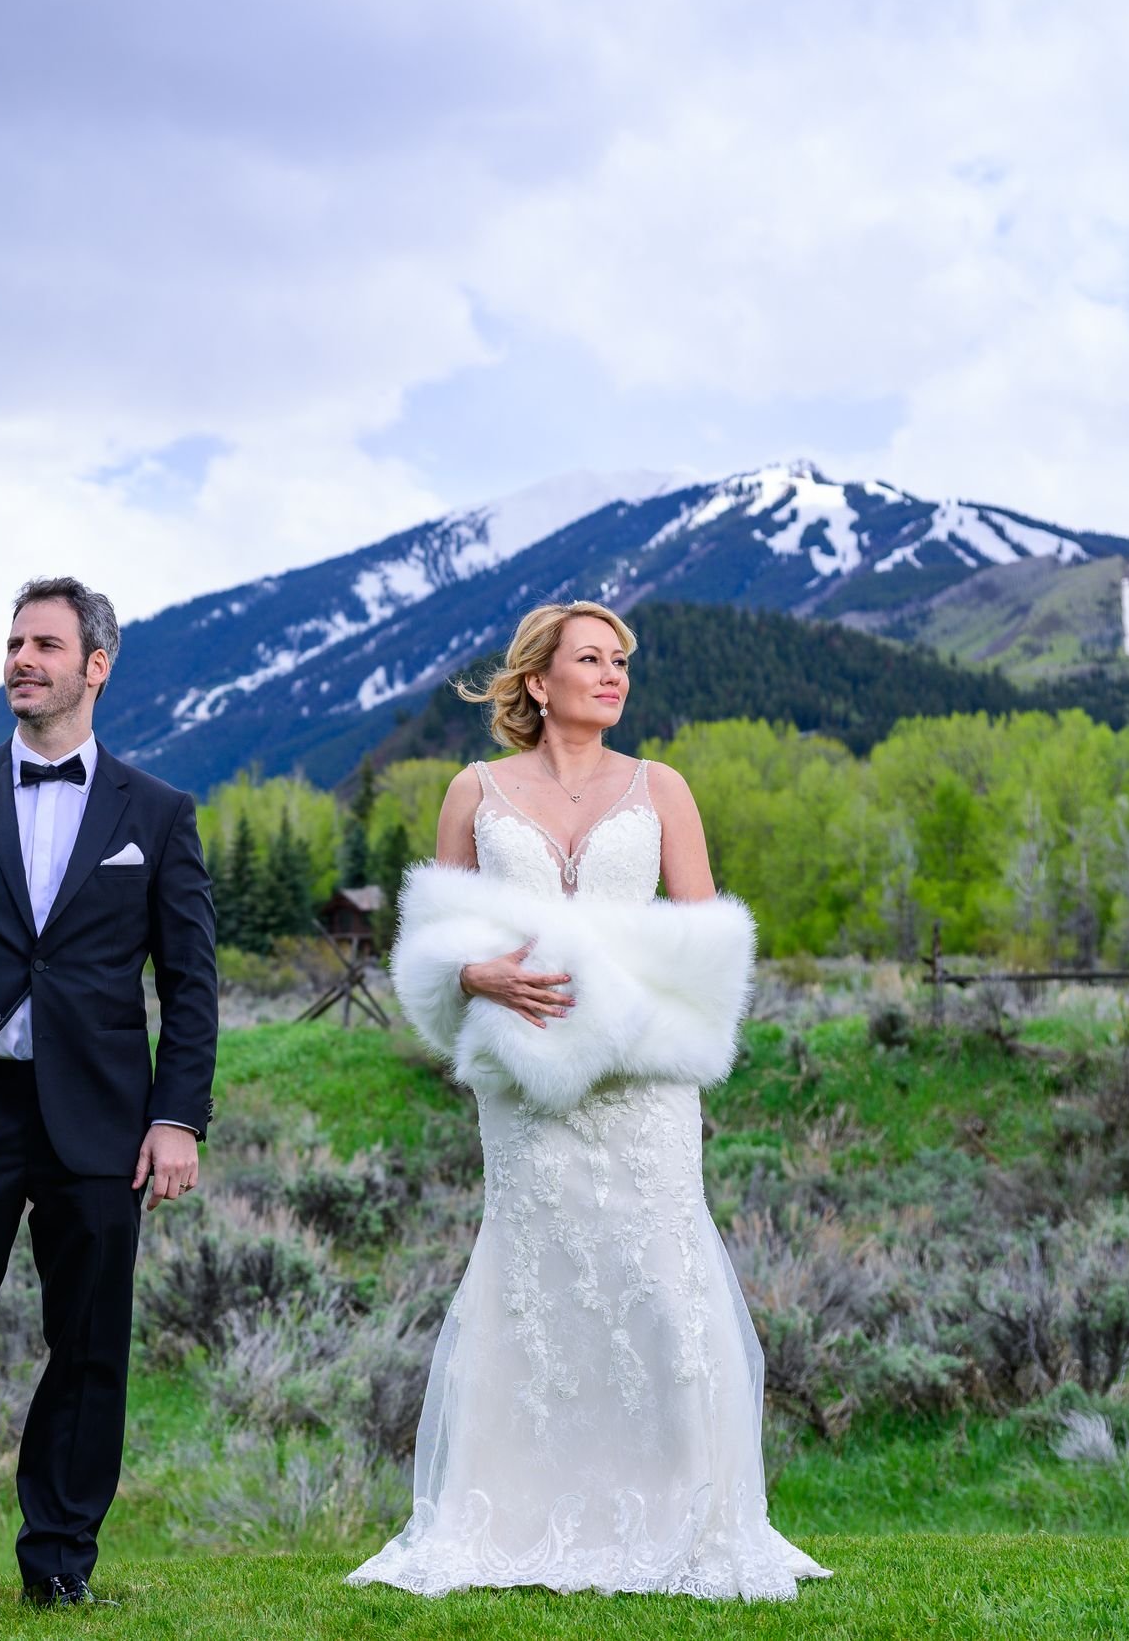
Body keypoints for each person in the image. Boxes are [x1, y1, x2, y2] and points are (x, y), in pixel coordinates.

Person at [351, 599, 830, 1599]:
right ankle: (513, 1511)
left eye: (621, 660)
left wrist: (621, 1004)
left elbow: (708, 942)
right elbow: (432, 938)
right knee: (533, 1270)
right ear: (537, 680)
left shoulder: (663, 788)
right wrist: (477, 979)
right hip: (525, 1091)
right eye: (590, 659)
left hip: (642, 1090)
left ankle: (685, 1512)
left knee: (657, 1271)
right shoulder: (472, 791)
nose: (613, 674)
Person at [0, 577, 218, 1634]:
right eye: (14, 641)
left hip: (102, 1120)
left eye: (46, 643)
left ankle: (58, 1564)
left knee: (92, 1345)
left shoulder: (156, 813)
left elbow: (190, 983)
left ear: (94, 665)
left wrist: (177, 1115)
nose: (22, 658)